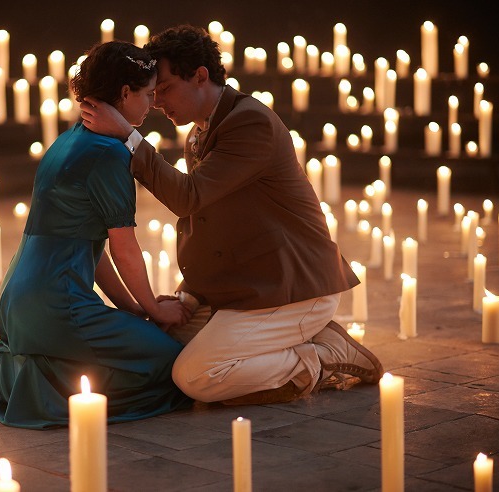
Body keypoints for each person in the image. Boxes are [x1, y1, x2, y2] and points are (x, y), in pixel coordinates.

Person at [80, 25, 384, 405]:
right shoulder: (201, 131)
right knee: (164, 344)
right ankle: (309, 341)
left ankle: (323, 357)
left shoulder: (249, 122)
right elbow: (210, 226)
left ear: (201, 76)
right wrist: (189, 297)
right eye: (152, 92)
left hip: (293, 287)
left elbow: (189, 198)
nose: (156, 102)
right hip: (247, 284)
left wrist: (129, 136)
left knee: (196, 376)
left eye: (166, 88)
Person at [0, 40, 193, 428]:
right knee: (173, 363)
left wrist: (132, 309)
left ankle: (36, 374)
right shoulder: (108, 154)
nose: (152, 105)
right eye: (147, 95)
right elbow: (123, 248)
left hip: (17, 300)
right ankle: (44, 391)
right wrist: (155, 308)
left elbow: (88, 248)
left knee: (133, 348)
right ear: (125, 93)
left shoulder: (67, 141)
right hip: (56, 304)